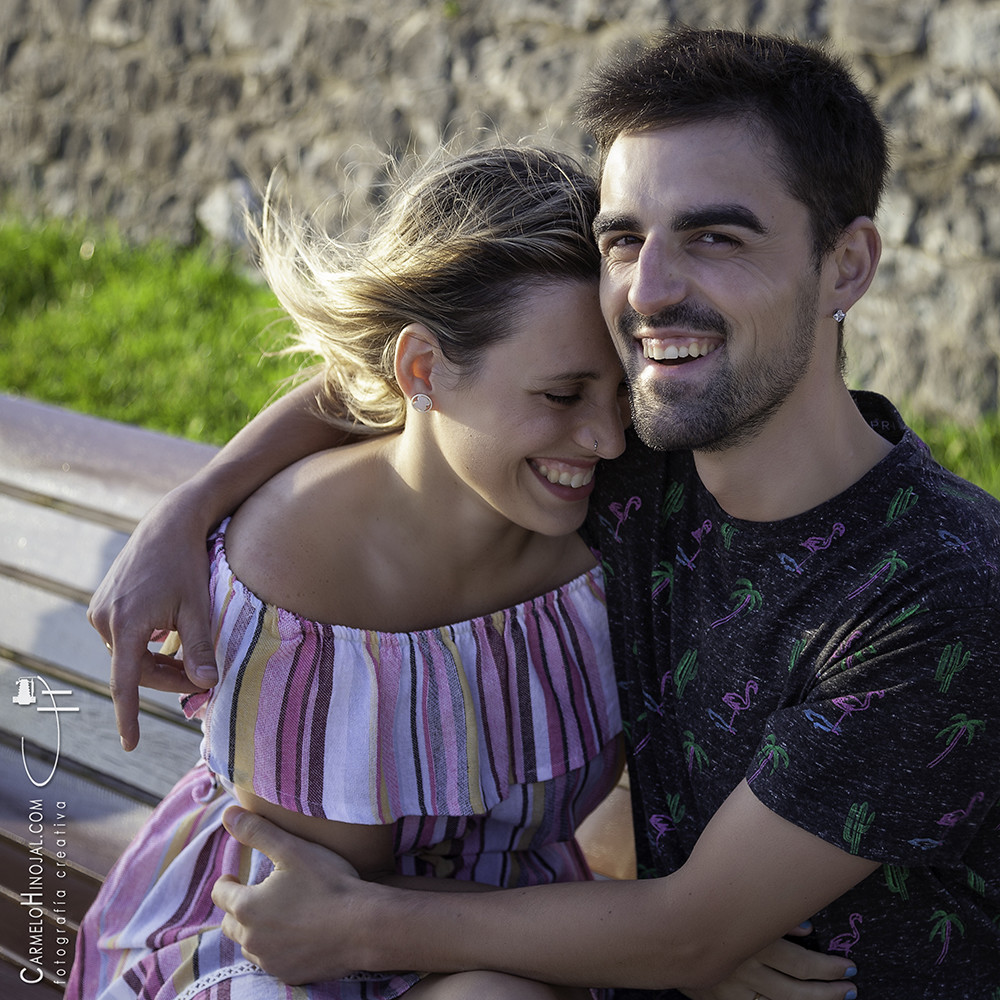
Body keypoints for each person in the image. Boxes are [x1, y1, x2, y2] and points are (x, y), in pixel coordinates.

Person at [86, 26, 1000, 1000]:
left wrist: (364, 923)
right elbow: (428, 370)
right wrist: (188, 509)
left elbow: (686, 935)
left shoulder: (936, 593)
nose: (647, 291)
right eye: (624, 239)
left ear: (847, 265)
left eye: (716, 236)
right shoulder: (642, 452)